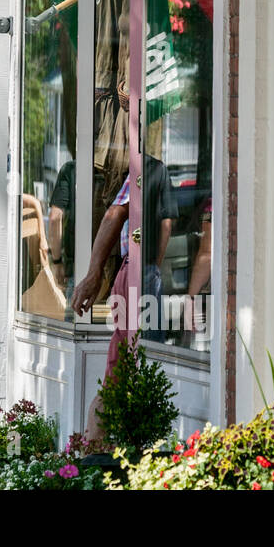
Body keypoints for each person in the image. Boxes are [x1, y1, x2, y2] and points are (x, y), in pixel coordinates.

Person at [69, 153, 178, 440]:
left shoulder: (143, 169)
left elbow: (115, 214)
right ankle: (106, 457)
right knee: (144, 369)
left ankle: (91, 455)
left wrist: (97, 274)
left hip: (126, 272)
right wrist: (152, 268)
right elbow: (124, 216)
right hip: (138, 274)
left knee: (118, 377)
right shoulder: (152, 168)